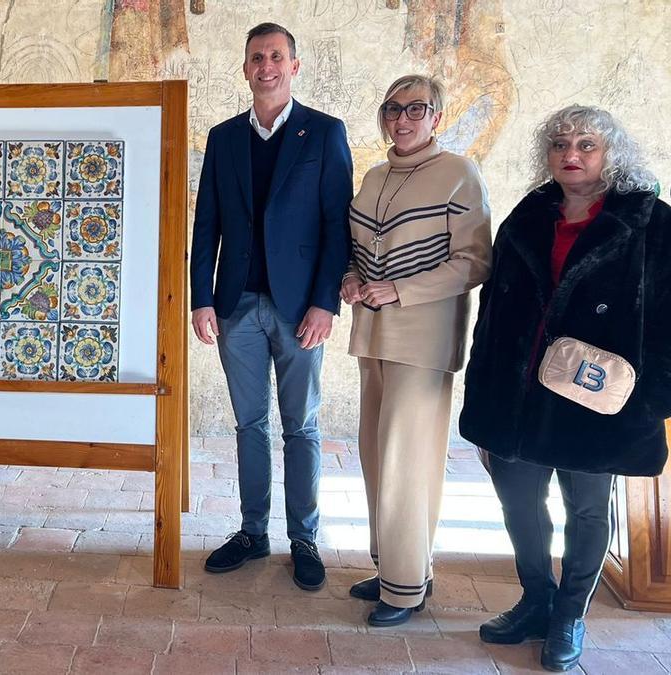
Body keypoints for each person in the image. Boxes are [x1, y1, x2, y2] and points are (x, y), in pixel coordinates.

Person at [460, 105, 670, 671]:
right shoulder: (528, 215)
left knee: (586, 509)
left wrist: (652, 402)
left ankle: (570, 613)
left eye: (586, 145)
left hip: (596, 399)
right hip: (519, 393)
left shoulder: (651, 222)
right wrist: (483, 390)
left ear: (611, 154)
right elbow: (493, 312)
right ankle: (536, 599)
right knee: (520, 503)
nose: (570, 155)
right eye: (559, 144)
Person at [189, 22, 354, 590]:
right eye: (257, 57)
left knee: (302, 427)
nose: (267, 66)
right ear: (245, 68)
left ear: (294, 65)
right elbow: (205, 222)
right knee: (249, 423)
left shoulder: (325, 133)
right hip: (236, 306)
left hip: (299, 309)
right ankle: (253, 532)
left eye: (277, 56)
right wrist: (202, 298)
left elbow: (338, 227)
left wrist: (325, 303)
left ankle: (304, 538)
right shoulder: (224, 137)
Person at [339, 75, 492, 626]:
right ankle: (395, 569)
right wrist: (352, 278)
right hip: (373, 334)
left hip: (424, 339)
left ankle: (404, 590)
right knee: (376, 454)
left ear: (437, 116)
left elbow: (474, 261)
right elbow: (357, 247)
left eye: (415, 109)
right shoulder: (376, 175)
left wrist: (401, 289)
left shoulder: (458, 172)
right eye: (392, 110)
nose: (402, 120)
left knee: (407, 460)